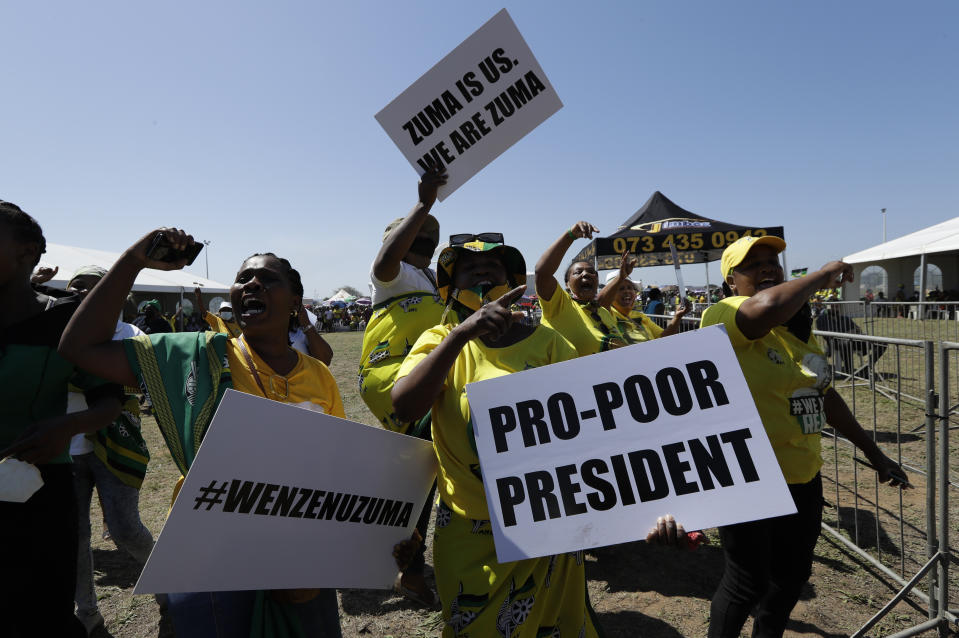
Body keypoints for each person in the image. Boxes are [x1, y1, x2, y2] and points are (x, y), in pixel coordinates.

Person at [391, 234, 688, 636]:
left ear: (513, 282)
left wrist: (645, 512)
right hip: (473, 531)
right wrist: (463, 334)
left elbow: (598, 434)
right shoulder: (441, 342)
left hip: (550, 524)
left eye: (493, 268)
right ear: (452, 286)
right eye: (469, 268)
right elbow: (404, 406)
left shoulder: (551, 344)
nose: (482, 273)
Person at [59, 227, 346, 638]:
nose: (252, 284)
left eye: (268, 278)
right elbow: (79, 348)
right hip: (212, 547)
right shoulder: (196, 355)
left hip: (297, 550)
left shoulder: (318, 375)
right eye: (244, 277)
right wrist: (133, 261)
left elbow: (335, 467)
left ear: (295, 300)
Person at [700, 236, 909, 638]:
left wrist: (874, 453)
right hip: (749, 479)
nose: (766, 268)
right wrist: (824, 274)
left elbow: (824, 395)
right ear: (730, 281)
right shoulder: (722, 315)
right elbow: (767, 307)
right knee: (747, 584)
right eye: (752, 264)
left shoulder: (798, 334)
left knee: (790, 579)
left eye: (772, 262)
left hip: (802, 477)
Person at [0, 201, 123, 638]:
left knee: (39, 612)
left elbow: (110, 401)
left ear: (27, 252)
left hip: (37, 489)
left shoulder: (65, 319)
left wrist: (66, 427)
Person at [357, 167, 447, 605]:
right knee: (430, 464)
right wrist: (424, 204)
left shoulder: (429, 280)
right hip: (393, 377)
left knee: (425, 471)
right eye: (415, 238)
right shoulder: (392, 276)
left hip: (417, 377)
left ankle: (405, 563)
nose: (424, 246)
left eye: (429, 240)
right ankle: (409, 568)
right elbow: (383, 262)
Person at [64, 265, 155, 634]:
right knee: (76, 536)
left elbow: (141, 380)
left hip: (115, 443)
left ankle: (167, 581)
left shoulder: (129, 334)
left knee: (125, 529)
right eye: (75, 287)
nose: (83, 294)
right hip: (66, 449)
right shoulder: (55, 334)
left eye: (93, 287)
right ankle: (87, 614)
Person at [534, 221, 626, 356]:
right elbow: (542, 273)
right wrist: (570, 235)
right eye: (578, 272)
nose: (586, 274)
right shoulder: (559, 305)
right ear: (567, 284)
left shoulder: (603, 312)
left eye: (591, 272)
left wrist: (621, 277)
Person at [601, 257, 688, 343]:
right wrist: (620, 277)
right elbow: (600, 302)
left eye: (630, 288)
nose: (627, 291)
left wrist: (677, 317)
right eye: (621, 288)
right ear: (610, 294)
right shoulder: (606, 313)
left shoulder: (641, 317)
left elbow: (663, 337)